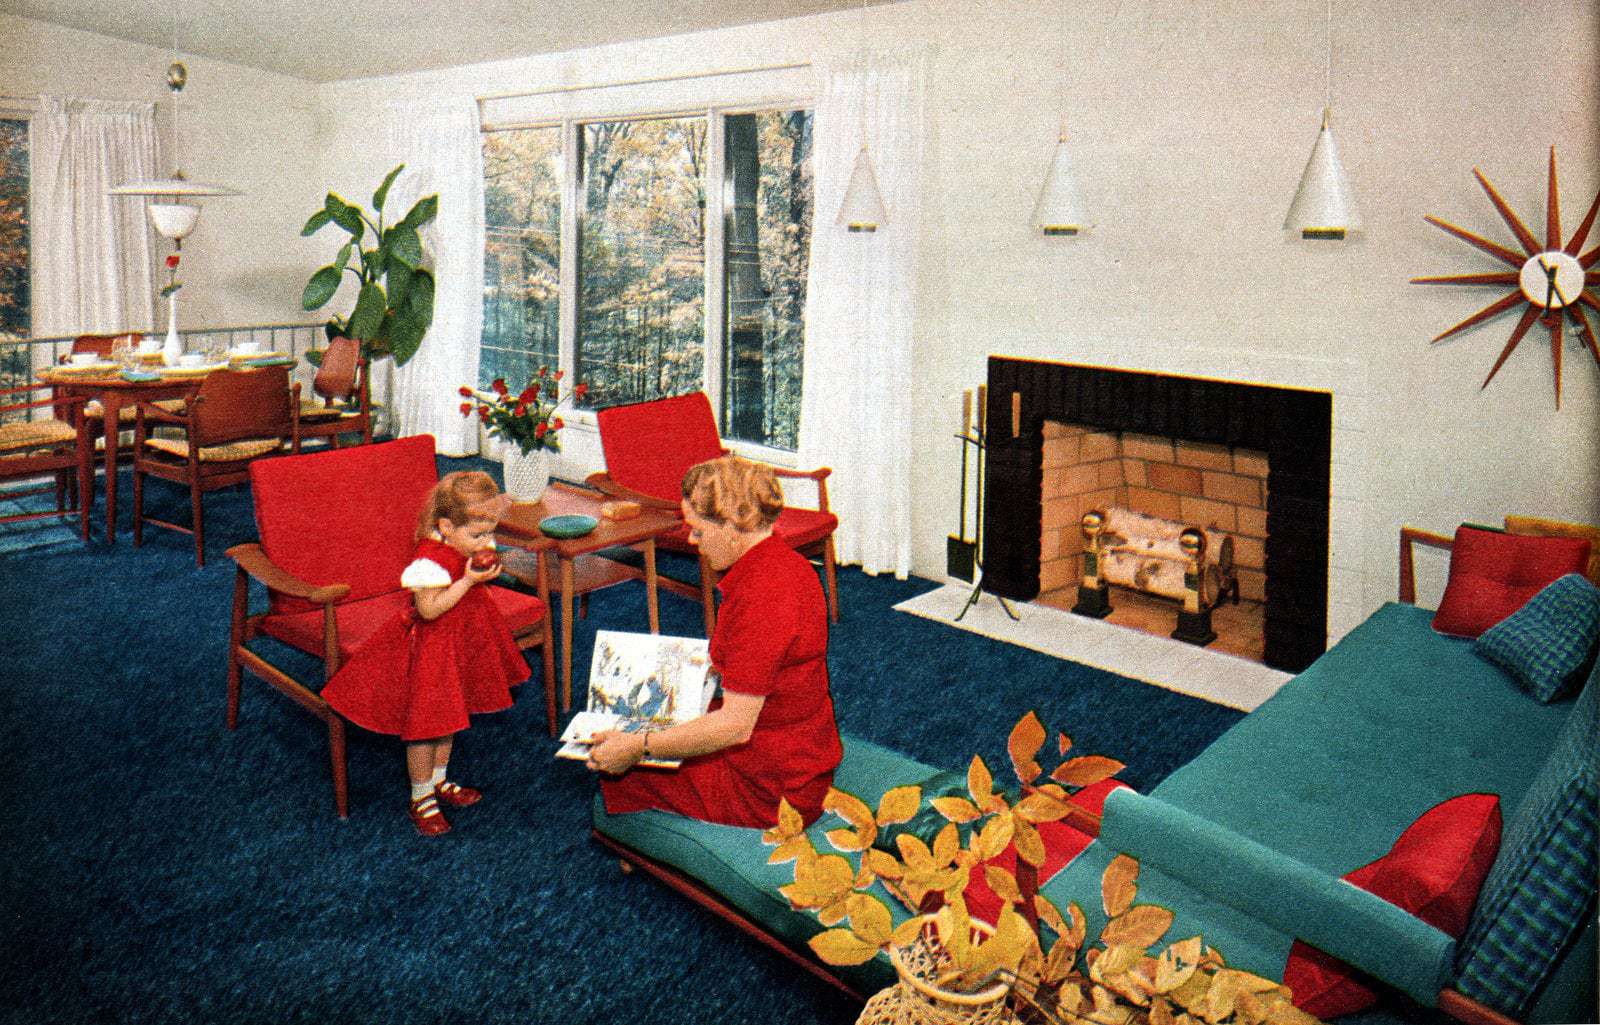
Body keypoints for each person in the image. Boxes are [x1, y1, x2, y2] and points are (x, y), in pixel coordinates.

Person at [587, 456, 842, 829]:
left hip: (774, 790)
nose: (692, 541)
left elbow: (735, 728)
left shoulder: (760, 599)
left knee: (619, 768)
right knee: (650, 719)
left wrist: (638, 746)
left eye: (699, 531)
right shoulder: (790, 564)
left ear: (733, 527)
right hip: (800, 749)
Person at [321, 471, 529, 837]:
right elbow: (430, 610)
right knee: (425, 725)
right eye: (478, 535)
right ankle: (420, 795)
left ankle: (438, 779)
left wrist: (476, 573)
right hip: (430, 647)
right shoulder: (428, 563)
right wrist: (468, 580)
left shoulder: (458, 547)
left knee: (449, 716)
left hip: (457, 644)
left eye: (490, 533)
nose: (488, 543)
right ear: (446, 526)